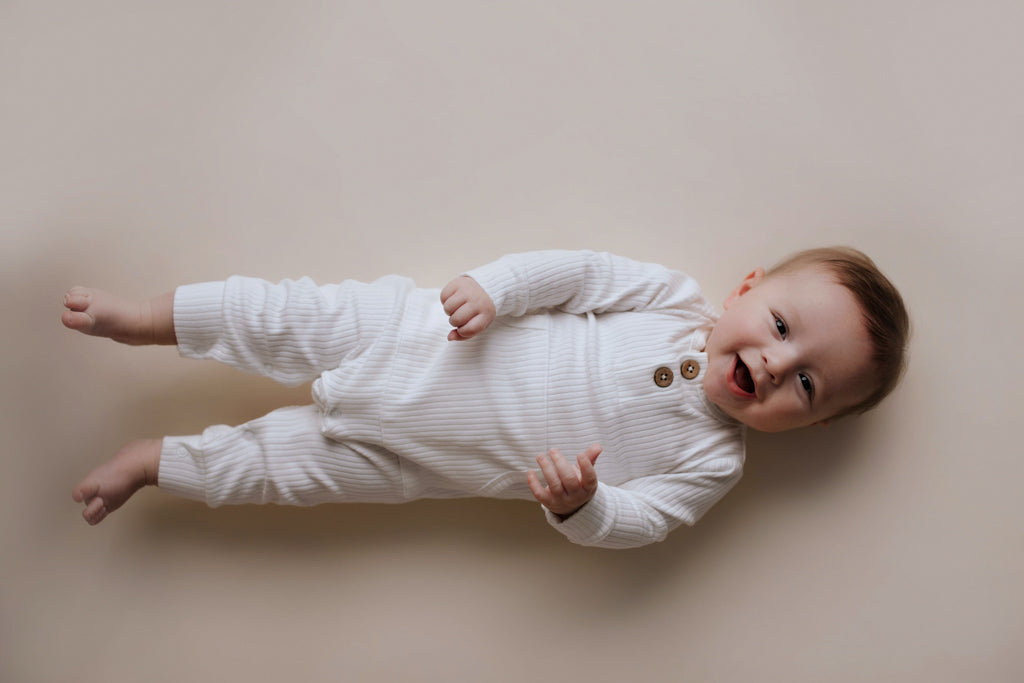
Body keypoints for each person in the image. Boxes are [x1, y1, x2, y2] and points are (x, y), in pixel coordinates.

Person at [63, 249, 909, 549]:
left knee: (279, 470)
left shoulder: (711, 461)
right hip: (422, 333)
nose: (772, 361)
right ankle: (145, 318)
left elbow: (648, 522)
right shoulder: (672, 302)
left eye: (807, 381)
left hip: (412, 461)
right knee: (285, 312)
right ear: (747, 287)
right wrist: (497, 288)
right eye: (781, 324)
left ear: (816, 421)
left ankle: (153, 464)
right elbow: (579, 272)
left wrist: (586, 508)